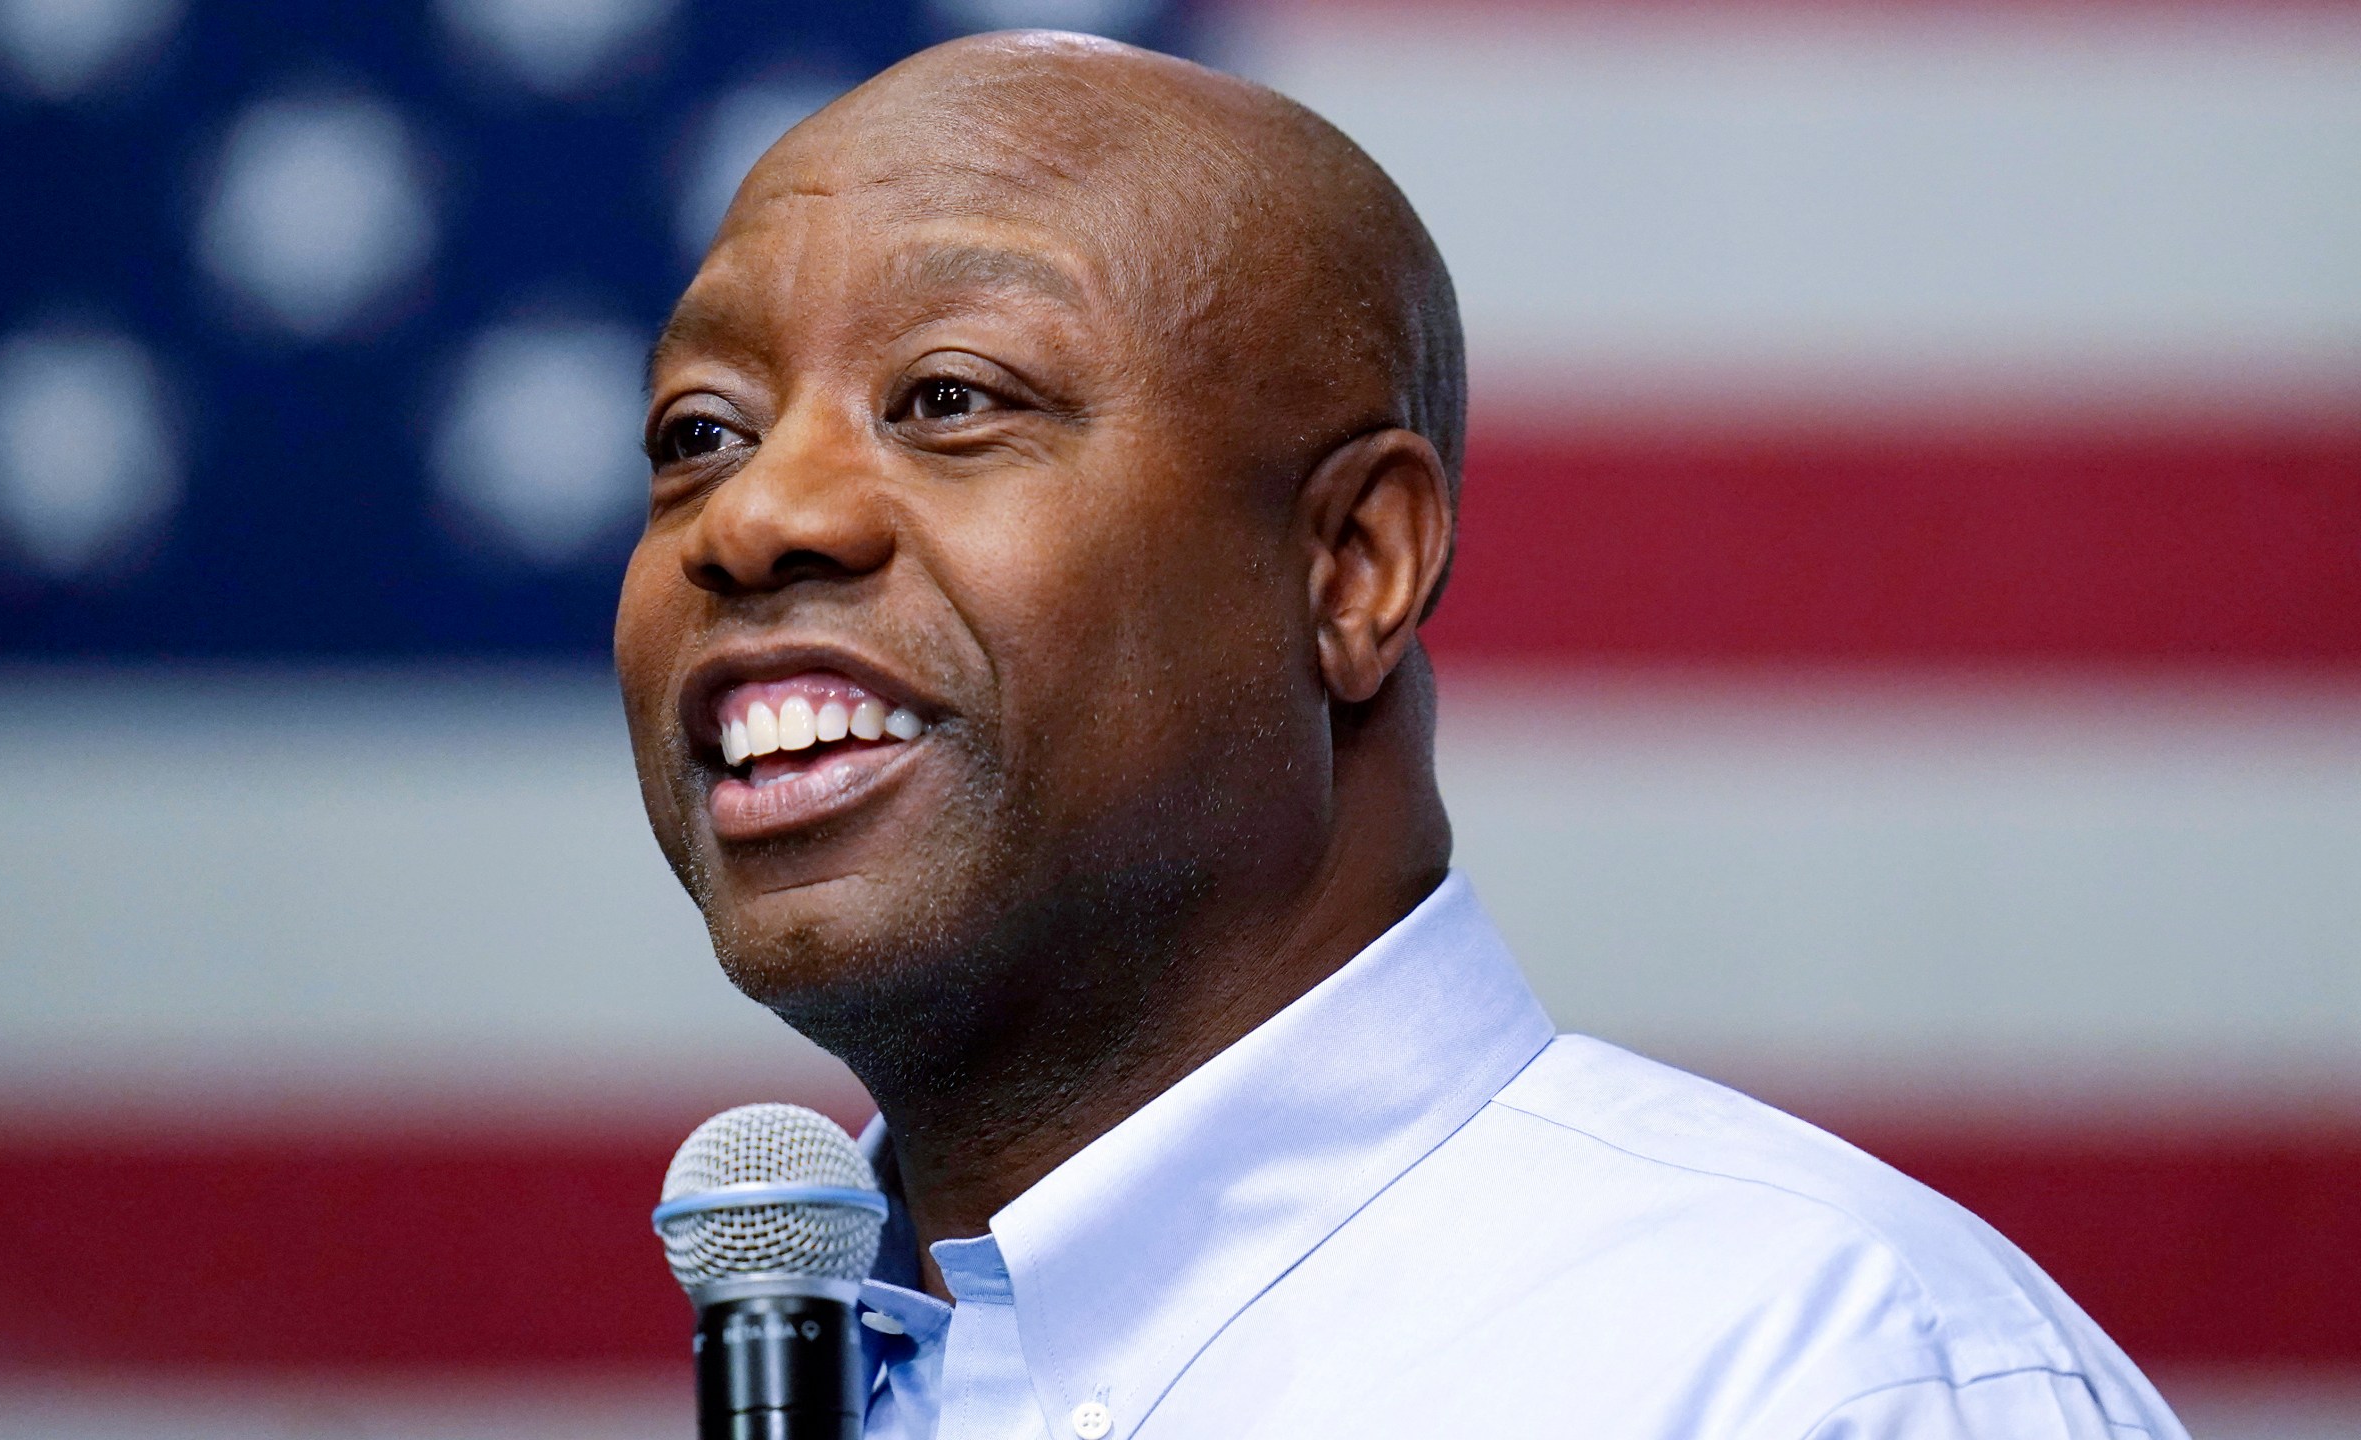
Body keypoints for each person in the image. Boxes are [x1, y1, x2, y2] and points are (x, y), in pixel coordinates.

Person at [614, 29, 2186, 1440]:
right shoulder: (807, 1371)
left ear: (1356, 566)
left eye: (953, 399)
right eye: (702, 434)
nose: (757, 516)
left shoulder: (1809, 1373)